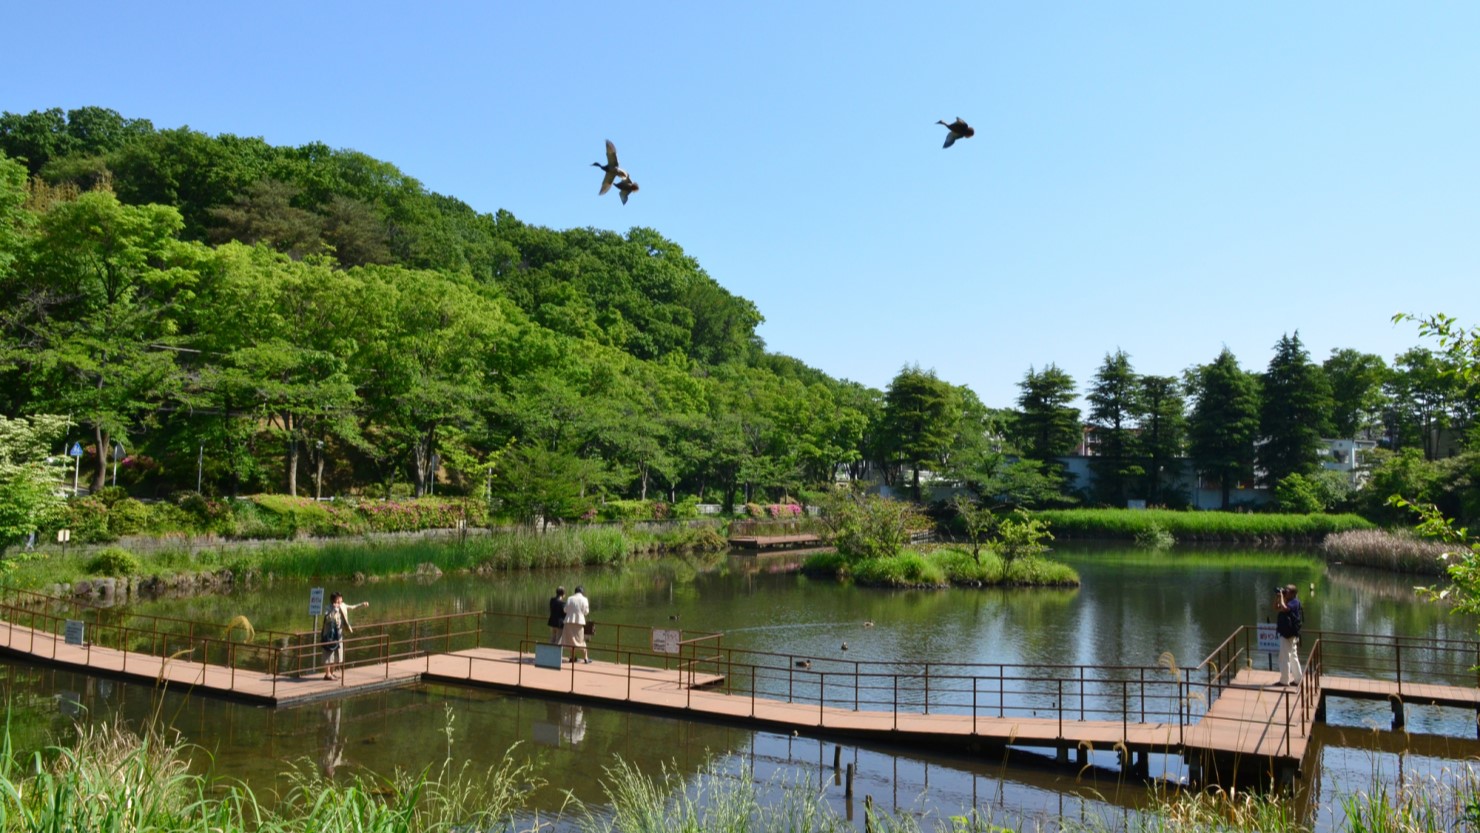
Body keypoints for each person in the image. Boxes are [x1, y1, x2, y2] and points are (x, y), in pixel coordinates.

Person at [321, 592, 369, 681]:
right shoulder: (328, 608)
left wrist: (362, 604)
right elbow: (327, 618)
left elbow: (353, 607)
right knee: (328, 655)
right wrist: (334, 610)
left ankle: (332, 673)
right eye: (338, 599)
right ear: (333, 600)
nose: (340, 600)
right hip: (329, 635)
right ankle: (327, 675)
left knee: (337, 654)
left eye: (341, 598)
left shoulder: (343, 605)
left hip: (339, 634)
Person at [1274, 584, 1304, 686]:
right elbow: (1276, 607)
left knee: (1284, 657)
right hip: (1288, 633)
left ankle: (1284, 681)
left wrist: (1282, 598)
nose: (1285, 592)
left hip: (1288, 634)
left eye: (1287, 591)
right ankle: (1298, 679)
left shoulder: (1295, 602)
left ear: (1293, 593)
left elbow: (1284, 608)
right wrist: (1278, 597)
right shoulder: (1288, 600)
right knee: (1293, 656)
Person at [562, 585, 591, 664]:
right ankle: (585, 658)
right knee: (581, 640)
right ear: (582, 592)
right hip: (579, 622)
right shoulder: (584, 599)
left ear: (575, 591)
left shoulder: (570, 598)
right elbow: (586, 612)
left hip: (568, 621)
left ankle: (572, 657)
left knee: (570, 640)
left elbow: (565, 610)